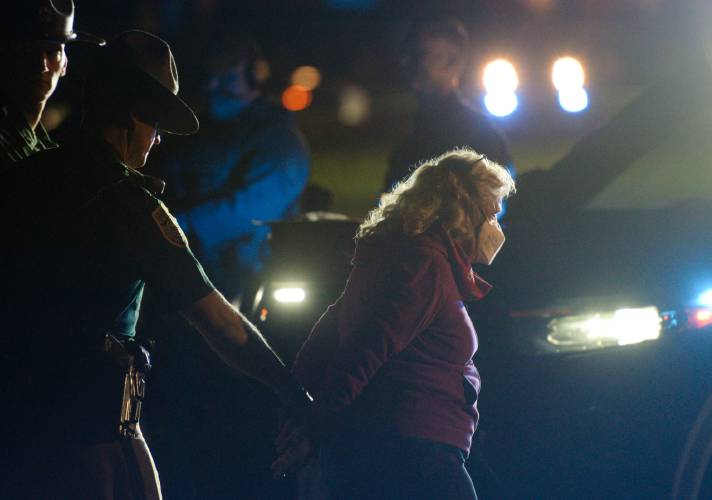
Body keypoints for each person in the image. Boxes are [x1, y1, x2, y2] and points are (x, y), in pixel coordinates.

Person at [0, 30, 311, 500]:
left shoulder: (26, 176)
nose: (159, 138)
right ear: (132, 115)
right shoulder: (130, 205)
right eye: (157, 122)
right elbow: (222, 326)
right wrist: (296, 396)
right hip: (94, 429)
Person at [274, 148, 516, 499]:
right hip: (413, 453)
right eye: (493, 213)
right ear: (466, 212)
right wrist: (313, 428)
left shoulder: (401, 258)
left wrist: (300, 414)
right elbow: (365, 351)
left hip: (397, 446)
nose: (497, 225)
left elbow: (327, 335)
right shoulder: (424, 265)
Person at [154, 27, 310, 307]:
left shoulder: (280, 140)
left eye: (226, 75)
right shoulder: (195, 134)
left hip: (248, 283)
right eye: (210, 75)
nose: (213, 86)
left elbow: (250, 208)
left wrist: (175, 225)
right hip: (190, 275)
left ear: (254, 75)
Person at [383, 18, 514, 192]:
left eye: (420, 55)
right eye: (408, 54)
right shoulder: (417, 129)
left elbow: (498, 205)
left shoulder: (479, 136)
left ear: (452, 63)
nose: (407, 62)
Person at [0, 0, 104, 170]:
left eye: (52, 52)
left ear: (65, 64)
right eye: (29, 51)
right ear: (8, 56)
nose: (42, 65)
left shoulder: (46, 151)